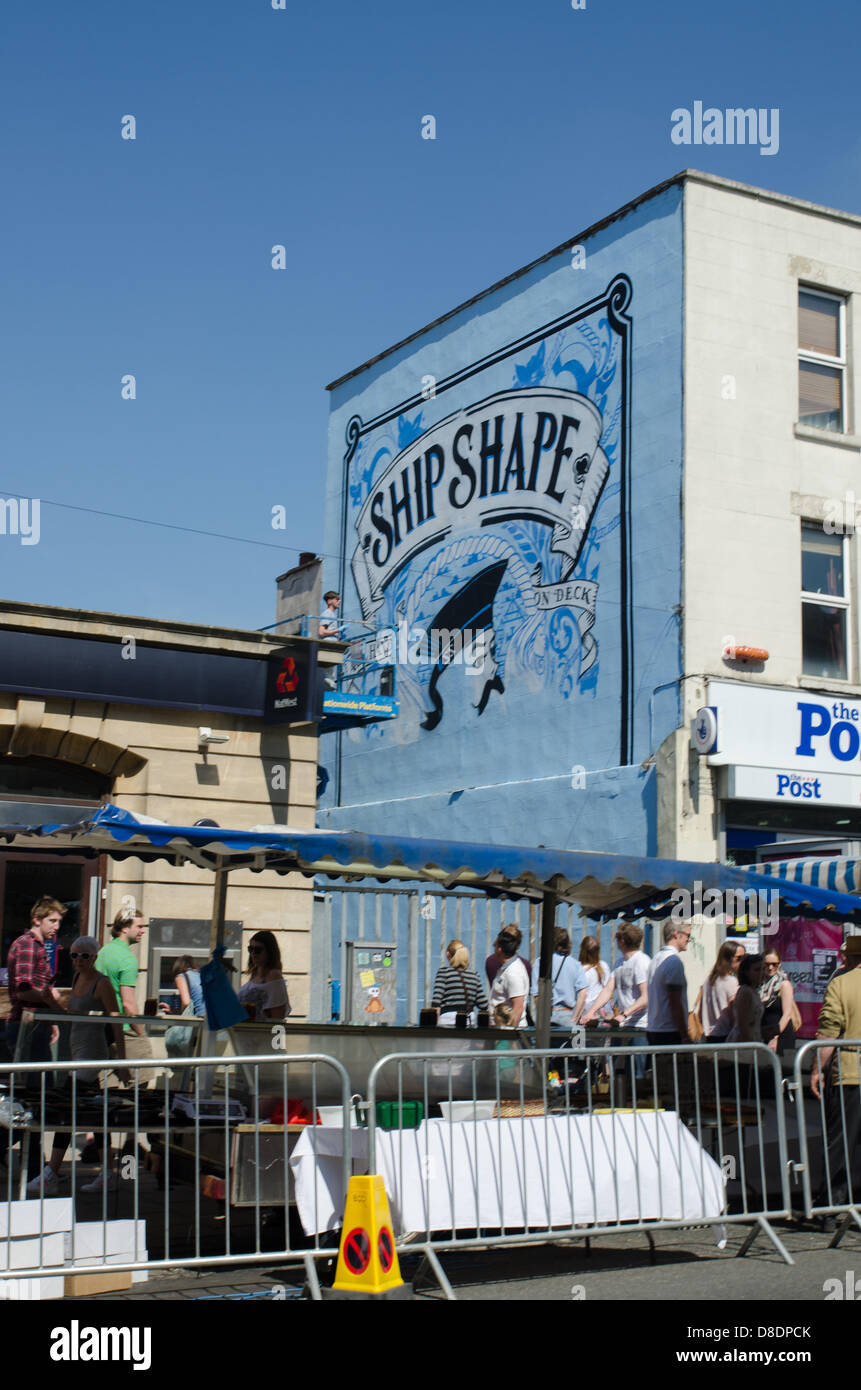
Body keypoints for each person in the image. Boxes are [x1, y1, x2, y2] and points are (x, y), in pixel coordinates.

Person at [26, 937, 127, 1197]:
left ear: (94, 957)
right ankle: (107, 1174)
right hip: (77, 1053)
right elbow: (72, 1021)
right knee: (95, 1116)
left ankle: (51, 1173)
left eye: (84, 955)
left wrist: (123, 1061)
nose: (78, 960)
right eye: (73, 955)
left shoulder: (102, 983)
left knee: (67, 1110)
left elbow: (117, 1023)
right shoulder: (76, 979)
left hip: (91, 1055)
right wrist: (51, 1003)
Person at [810, 935, 861, 1220]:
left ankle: (829, 1209)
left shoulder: (841, 984)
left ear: (849, 958)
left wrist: (817, 1069)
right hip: (852, 1072)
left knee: (840, 1144)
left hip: (851, 1074)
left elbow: (829, 1031)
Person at [5, 896, 67, 1065]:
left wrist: (51, 1021)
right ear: (37, 920)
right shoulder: (28, 945)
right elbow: (23, 991)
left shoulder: (37, 945)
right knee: (34, 1079)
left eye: (59, 922)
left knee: (40, 1078)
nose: (57, 927)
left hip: (35, 1023)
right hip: (26, 1025)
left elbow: (37, 987)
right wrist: (50, 996)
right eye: (52, 921)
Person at [96, 909, 152, 1072]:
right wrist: (141, 1032)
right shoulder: (127, 959)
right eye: (139, 926)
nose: (143, 931)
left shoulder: (103, 952)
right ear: (124, 928)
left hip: (103, 1028)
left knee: (107, 1081)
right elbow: (128, 1003)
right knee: (141, 1078)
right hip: (125, 1029)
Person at [530, 927, 587, 1028]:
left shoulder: (540, 963)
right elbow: (583, 994)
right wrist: (574, 1018)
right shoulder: (576, 965)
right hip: (568, 1014)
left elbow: (537, 996)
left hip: (546, 1016)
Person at [646, 920, 691, 1045]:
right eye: (688, 935)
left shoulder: (656, 959)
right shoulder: (674, 961)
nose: (689, 940)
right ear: (677, 934)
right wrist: (684, 1035)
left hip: (654, 1028)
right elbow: (675, 1001)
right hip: (669, 1031)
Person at [430, 939, 488, 1025]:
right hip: (468, 1020)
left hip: (448, 1020)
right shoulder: (474, 975)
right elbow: (483, 1005)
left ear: (447, 954)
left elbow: (436, 1003)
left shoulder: (444, 973)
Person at [237, 931, 290, 1021]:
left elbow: (277, 1017)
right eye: (250, 949)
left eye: (258, 950)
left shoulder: (274, 976)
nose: (253, 953)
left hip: (260, 1029)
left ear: (269, 951)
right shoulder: (255, 975)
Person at [163, 956, 205, 1059]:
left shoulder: (181, 977)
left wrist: (176, 1012)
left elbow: (186, 1002)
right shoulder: (201, 975)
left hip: (198, 1021)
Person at [488, 925, 529, 1029]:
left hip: (506, 1030)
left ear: (499, 949)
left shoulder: (513, 972)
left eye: (495, 945)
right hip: (500, 1028)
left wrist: (509, 1034)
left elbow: (518, 1007)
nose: (493, 946)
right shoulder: (506, 969)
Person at [759, 948, 796, 1059]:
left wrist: (775, 1037)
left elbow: (787, 1014)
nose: (770, 968)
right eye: (767, 964)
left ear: (779, 964)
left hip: (780, 1035)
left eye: (774, 964)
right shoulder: (760, 985)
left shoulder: (784, 984)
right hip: (765, 1033)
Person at [699, 942, 739, 1041]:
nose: (742, 961)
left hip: (709, 1034)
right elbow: (732, 1011)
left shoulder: (709, 980)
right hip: (725, 1034)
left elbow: (701, 1011)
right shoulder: (730, 981)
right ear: (729, 959)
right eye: (739, 958)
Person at [726, 955, 765, 1043]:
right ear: (747, 972)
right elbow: (742, 1024)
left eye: (763, 969)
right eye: (757, 970)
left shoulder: (754, 991)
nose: (761, 973)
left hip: (755, 1040)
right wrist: (751, 1044)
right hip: (743, 1042)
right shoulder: (745, 992)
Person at [578, 935, 611, 1019]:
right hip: (603, 1008)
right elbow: (608, 989)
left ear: (582, 950)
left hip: (586, 1012)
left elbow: (580, 996)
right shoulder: (604, 966)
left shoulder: (580, 969)